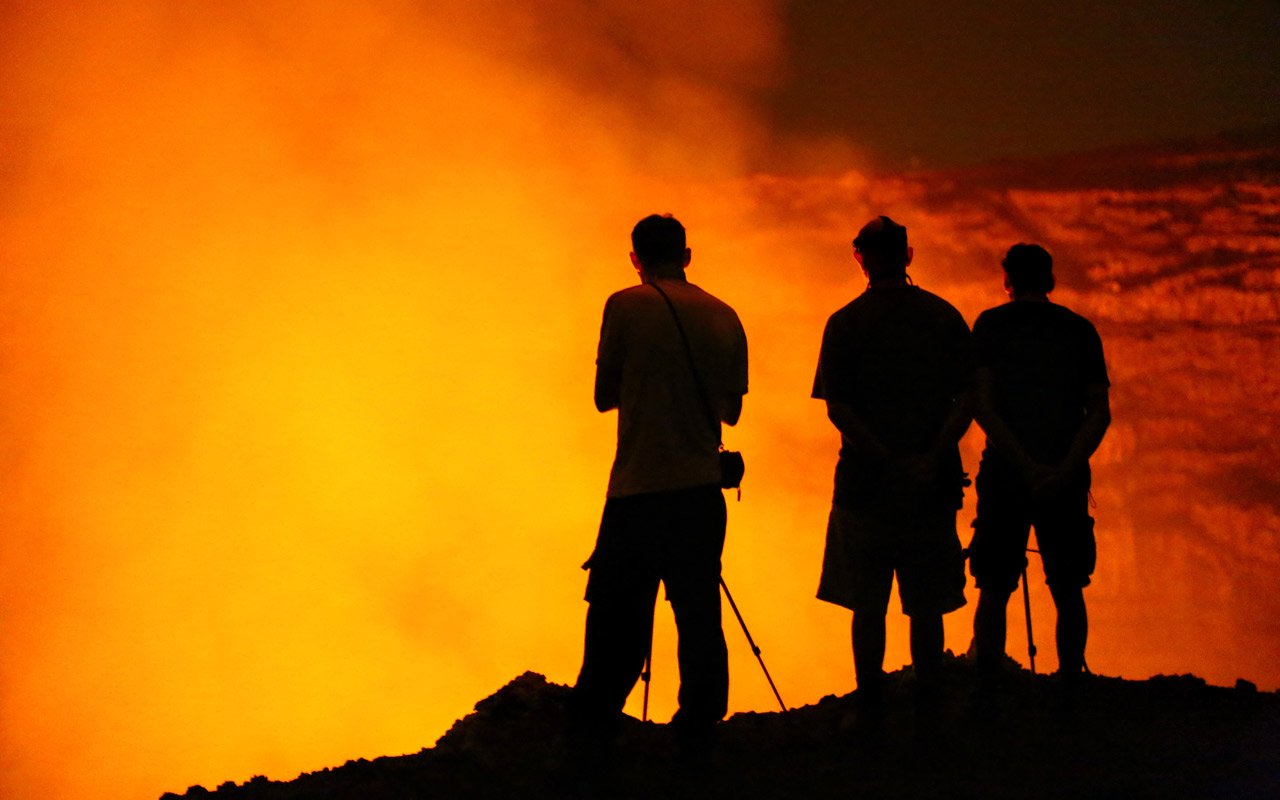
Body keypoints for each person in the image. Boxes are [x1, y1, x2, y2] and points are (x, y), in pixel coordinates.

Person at [568, 213, 748, 781]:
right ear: (687, 255)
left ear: (635, 258)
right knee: (698, 615)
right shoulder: (724, 314)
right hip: (700, 491)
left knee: (618, 619)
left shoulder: (624, 306)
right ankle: (698, 735)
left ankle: (596, 741)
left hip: (638, 490)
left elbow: (604, 396)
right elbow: (732, 411)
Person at [813, 215, 974, 736]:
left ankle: (871, 710)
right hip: (931, 486)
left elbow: (838, 407)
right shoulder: (943, 317)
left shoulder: (845, 323)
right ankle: (929, 711)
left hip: (865, 487)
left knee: (868, 606)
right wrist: (930, 456)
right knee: (926, 607)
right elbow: (968, 398)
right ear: (908, 255)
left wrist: (882, 456)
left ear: (859, 258)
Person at [969, 243, 1111, 715]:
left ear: (1007, 280)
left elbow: (982, 406)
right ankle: (1071, 688)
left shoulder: (990, 327)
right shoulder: (1079, 330)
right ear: (1049, 279)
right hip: (1064, 479)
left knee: (994, 586)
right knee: (1068, 586)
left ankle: (987, 694)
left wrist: (1024, 466)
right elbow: (1099, 413)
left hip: (1005, 476)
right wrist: (1063, 469)